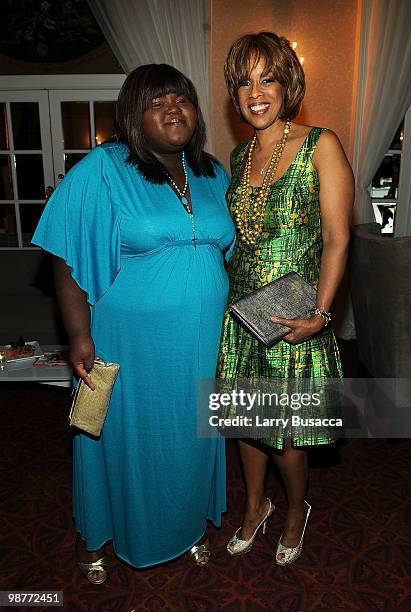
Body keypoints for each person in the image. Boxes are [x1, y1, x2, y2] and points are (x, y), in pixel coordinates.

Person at [32, 64, 235, 581]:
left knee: (192, 436)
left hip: (201, 341)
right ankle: (96, 538)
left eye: (183, 98)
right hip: (131, 340)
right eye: (156, 101)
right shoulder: (104, 167)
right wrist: (78, 334)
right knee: (119, 435)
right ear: (132, 114)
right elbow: (65, 252)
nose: (173, 108)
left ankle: (186, 527)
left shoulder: (213, 172)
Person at [217, 32, 354, 566]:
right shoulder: (237, 153)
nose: (255, 92)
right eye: (244, 81)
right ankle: (255, 506)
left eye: (266, 78)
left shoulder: (322, 143)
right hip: (242, 311)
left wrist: (321, 315)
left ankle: (297, 508)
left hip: (294, 314)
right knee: (246, 425)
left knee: (288, 432)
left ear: (287, 84)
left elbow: (340, 238)